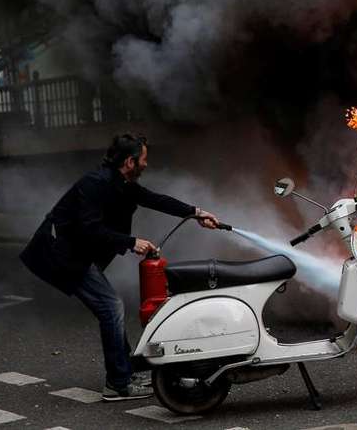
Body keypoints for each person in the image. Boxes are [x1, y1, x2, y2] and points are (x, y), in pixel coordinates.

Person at [19, 134, 220, 401]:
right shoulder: (94, 184)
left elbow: (154, 199)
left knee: (109, 307)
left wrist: (196, 212)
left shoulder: (121, 183)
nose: (147, 164)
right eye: (144, 159)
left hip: (76, 252)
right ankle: (118, 383)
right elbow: (89, 228)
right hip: (62, 253)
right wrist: (130, 242)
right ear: (130, 161)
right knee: (111, 306)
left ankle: (125, 371)